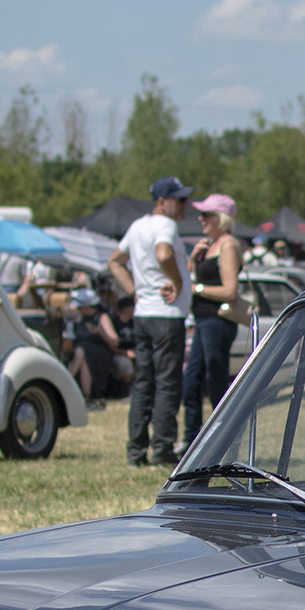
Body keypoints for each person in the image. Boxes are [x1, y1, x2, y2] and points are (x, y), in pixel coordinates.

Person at [108, 175, 193, 466]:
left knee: (144, 383)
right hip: (166, 316)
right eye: (179, 199)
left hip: (144, 314)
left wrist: (135, 292)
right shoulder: (164, 225)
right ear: (162, 202)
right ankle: (163, 450)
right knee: (167, 383)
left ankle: (135, 452)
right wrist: (178, 281)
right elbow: (163, 253)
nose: (185, 205)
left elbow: (115, 262)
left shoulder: (137, 226)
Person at [183, 193, 244, 451]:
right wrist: (192, 260)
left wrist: (196, 287)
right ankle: (191, 442)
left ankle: (225, 441)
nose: (201, 219)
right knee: (191, 381)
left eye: (207, 214)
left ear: (221, 218)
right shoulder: (209, 244)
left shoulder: (228, 245)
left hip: (218, 322)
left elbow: (230, 291)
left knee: (215, 382)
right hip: (203, 321)